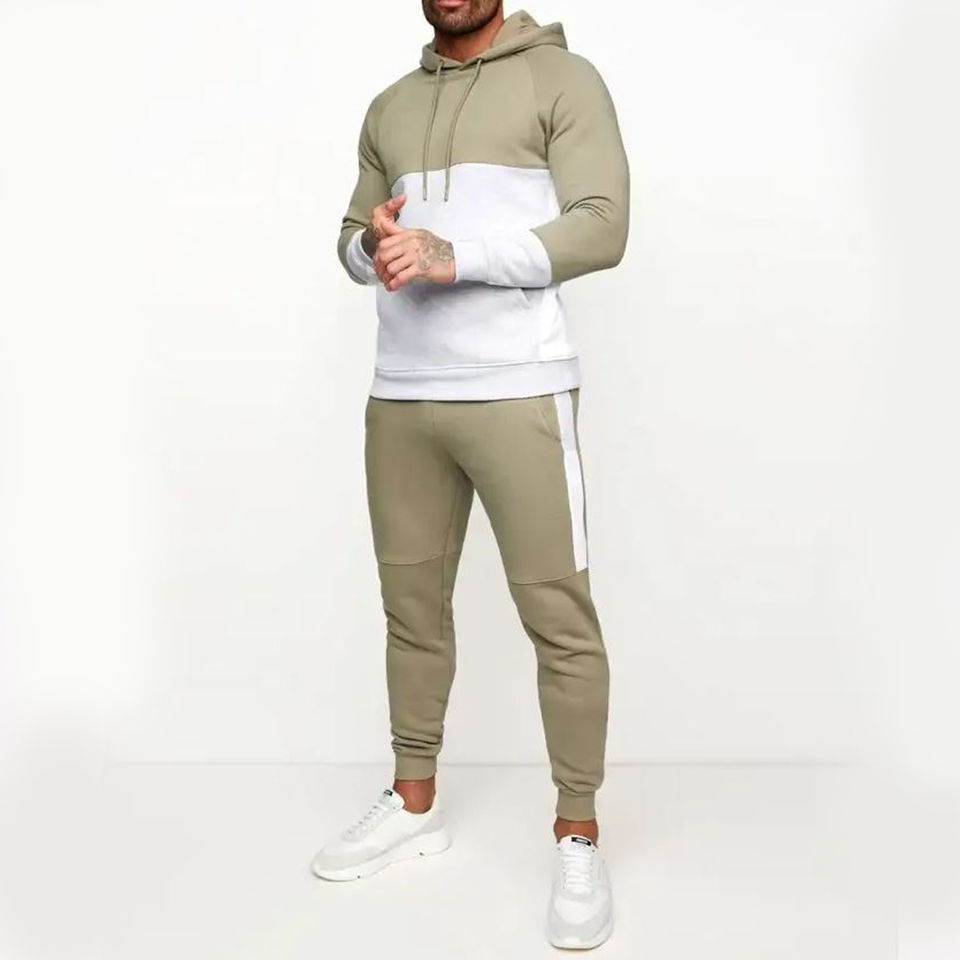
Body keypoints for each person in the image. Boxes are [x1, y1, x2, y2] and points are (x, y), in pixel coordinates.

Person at [311, 2, 629, 949]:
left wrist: (461, 257)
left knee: (558, 617)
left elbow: (604, 226)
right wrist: (370, 246)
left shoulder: (562, 81)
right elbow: (349, 238)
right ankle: (414, 802)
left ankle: (577, 830)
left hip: (519, 390)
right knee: (411, 612)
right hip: (403, 396)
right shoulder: (390, 105)